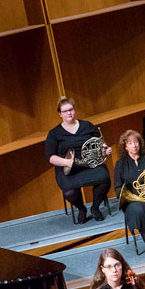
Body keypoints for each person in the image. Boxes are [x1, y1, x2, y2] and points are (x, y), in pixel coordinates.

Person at [45, 96, 111, 224]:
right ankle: (81, 209)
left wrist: (105, 150)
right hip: (68, 167)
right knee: (69, 192)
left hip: (90, 164)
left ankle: (95, 207)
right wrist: (66, 162)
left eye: (71, 109)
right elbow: (51, 157)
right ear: (60, 114)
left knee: (104, 178)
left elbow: (100, 143)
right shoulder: (54, 133)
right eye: (65, 111)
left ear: (74, 110)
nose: (69, 113)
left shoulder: (87, 125)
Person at [113, 129, 145, 250]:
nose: (134, 145)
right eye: (130, 143)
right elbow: (117, 187)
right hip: (133, 201)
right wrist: (131, 198)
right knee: (139, 211)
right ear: (125, 146)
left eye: (136, 142)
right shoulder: (120, 164)